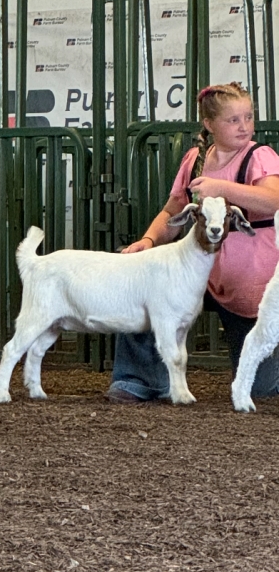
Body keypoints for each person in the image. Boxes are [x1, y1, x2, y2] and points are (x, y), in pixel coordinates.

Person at [107, 81, 279, 404]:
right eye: (233, 120)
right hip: (195, 275)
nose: (244, 127)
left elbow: (273, 200)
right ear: (209, 124)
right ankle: (137, 378)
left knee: (263, 390)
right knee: (142, 282)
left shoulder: (260, 156)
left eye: (249, 117)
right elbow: (172, 209)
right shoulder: (195, 159)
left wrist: (222, 189)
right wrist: (149, 239)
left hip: (247, 289)